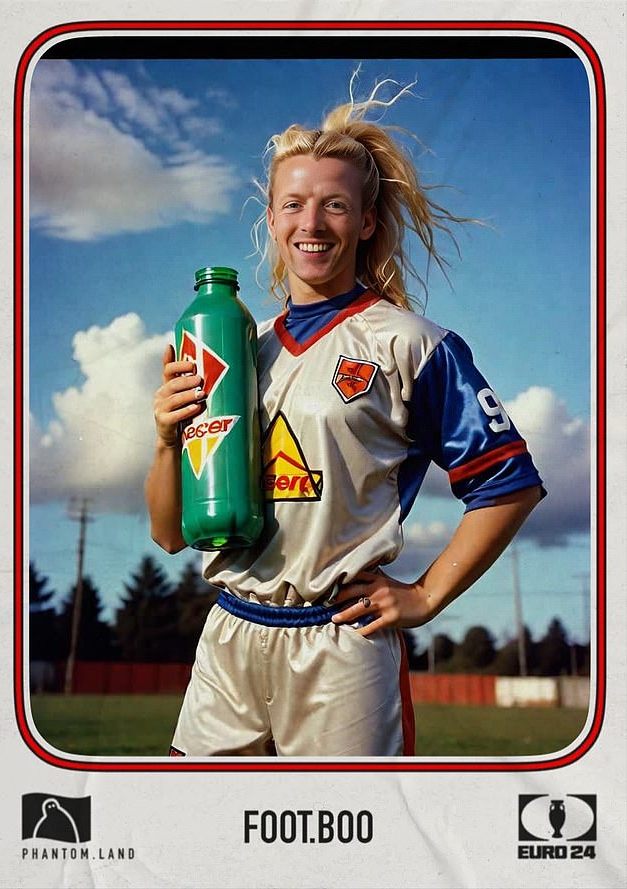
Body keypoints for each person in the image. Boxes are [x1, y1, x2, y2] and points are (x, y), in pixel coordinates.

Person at [145, 75, 545, 757]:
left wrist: (424, 596)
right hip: (229, 638)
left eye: (334, 205)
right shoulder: (235, 345)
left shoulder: (411, 343)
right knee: (196, 849)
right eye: (293, 204)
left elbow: (509, 484)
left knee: (346, 857)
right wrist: (164, 441)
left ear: (364, 221)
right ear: (270, 218)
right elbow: (169, 535)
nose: (311, 223)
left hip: (342, 641)